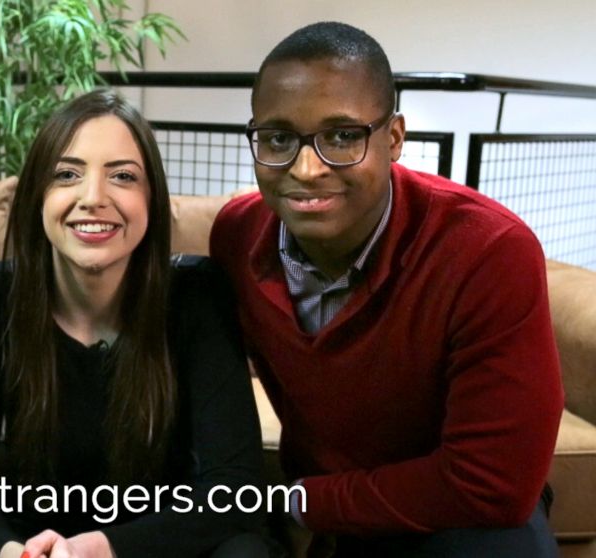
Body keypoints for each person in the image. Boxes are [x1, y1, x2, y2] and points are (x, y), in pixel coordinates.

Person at [210, 21, 564, 557]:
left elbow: (492, 485)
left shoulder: (488, 250)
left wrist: (299, 501)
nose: (307, 169)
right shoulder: (237, 235)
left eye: (342, 137)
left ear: (394, 138)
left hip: (461, 521)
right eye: (279, 138)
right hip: (336, 512)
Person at [0, 90, 275, 558]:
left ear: (152, 199)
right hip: (33, 545)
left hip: (156, 547)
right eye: (67, 175)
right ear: (38, 196)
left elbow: (237, 491)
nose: (93, 198)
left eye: (122, 176)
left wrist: (102, 547)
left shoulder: (196, 295)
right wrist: (14, 553)